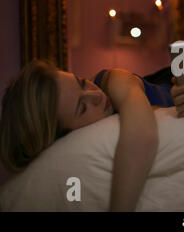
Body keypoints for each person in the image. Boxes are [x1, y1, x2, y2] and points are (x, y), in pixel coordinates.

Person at [0, 59, 173, 211]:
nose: (96, 94)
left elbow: (143, 136)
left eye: (82, 82)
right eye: (82, 108)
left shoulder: (111, 81)